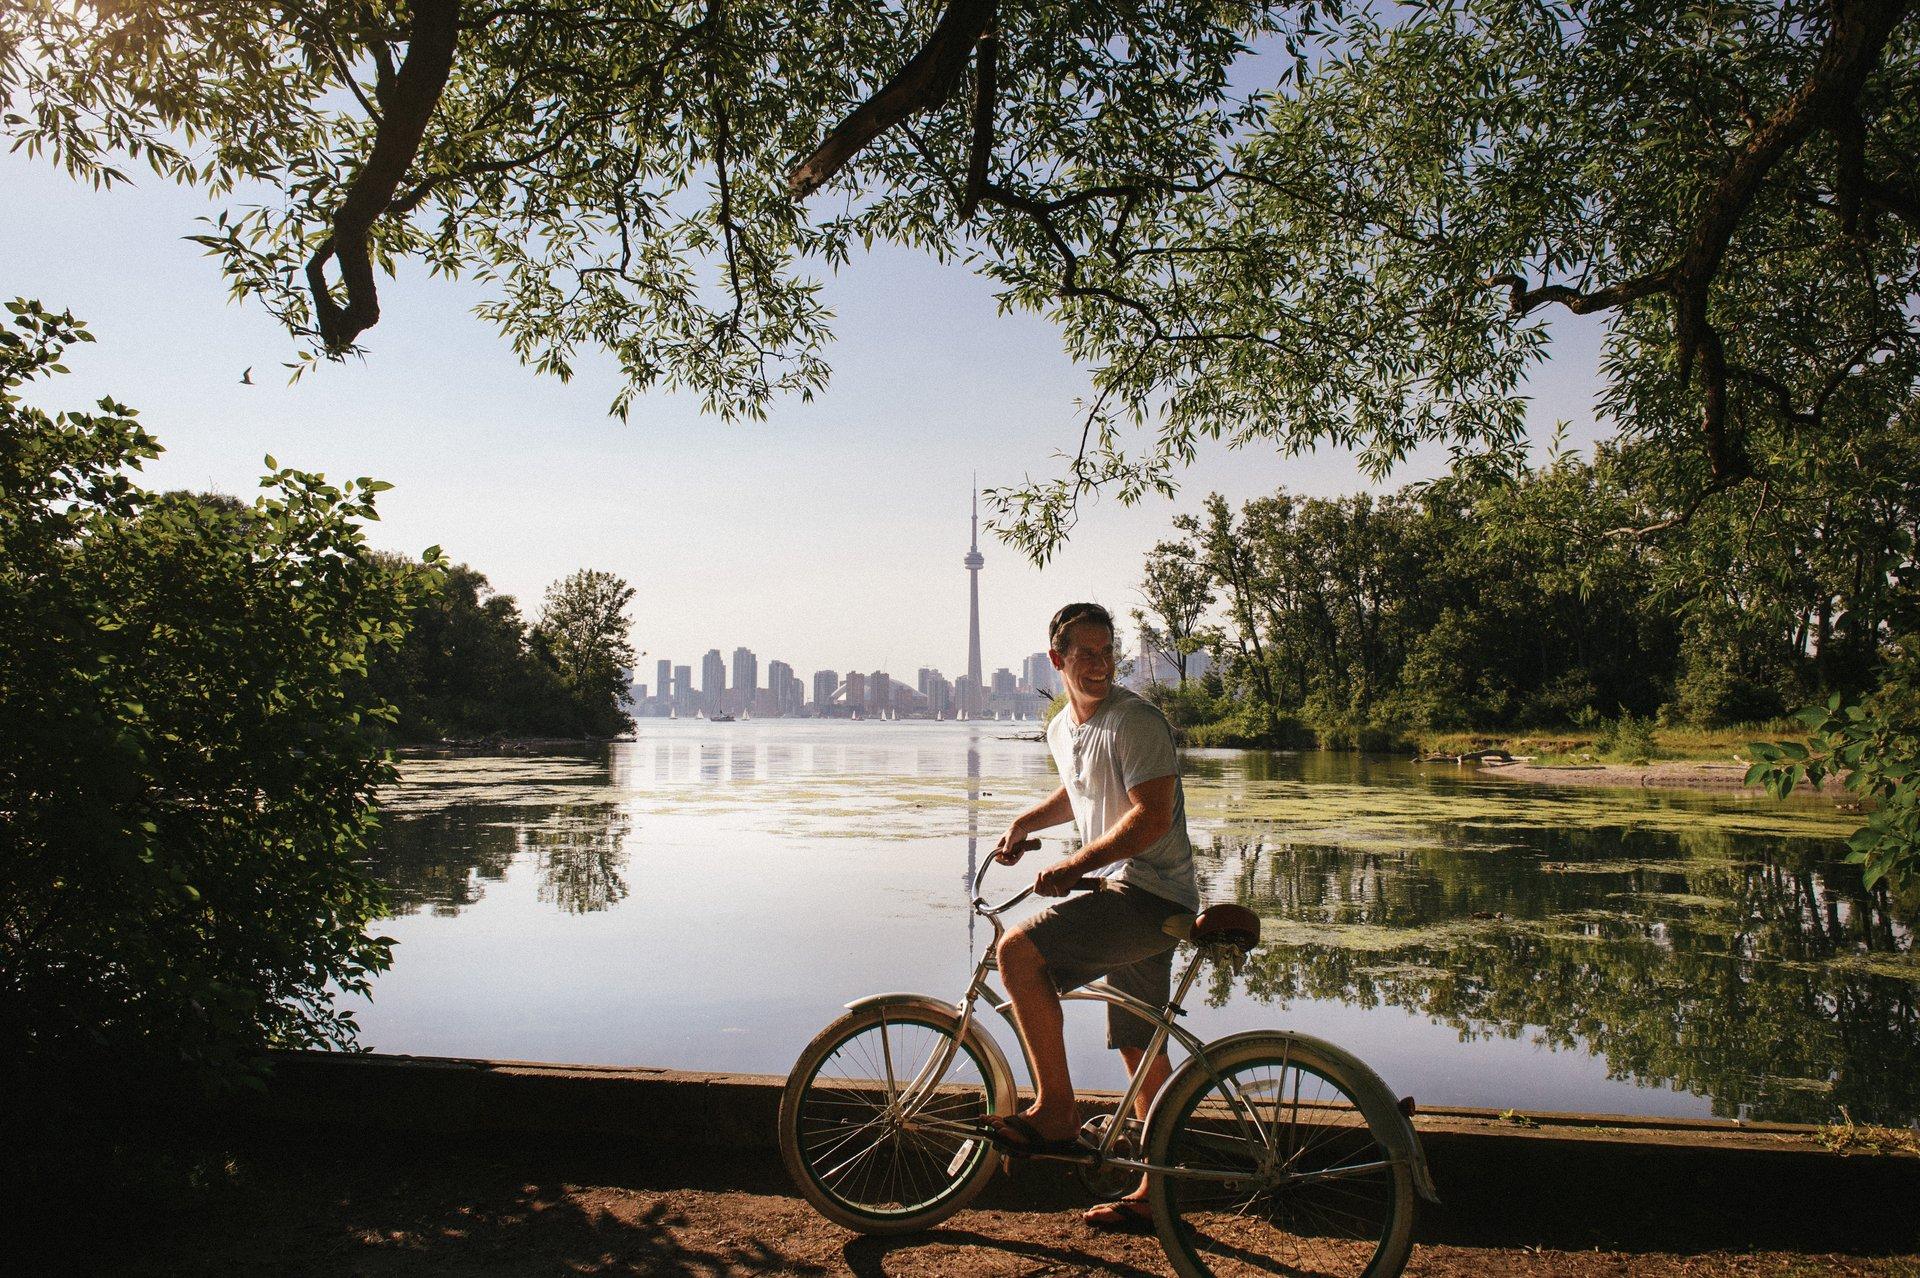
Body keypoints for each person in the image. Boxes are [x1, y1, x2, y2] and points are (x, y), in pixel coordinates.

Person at [989, 601, 1201, 1231]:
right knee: (1139, 1044)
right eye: (1086, 653)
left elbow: (1152, 815)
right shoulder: (1062, 725)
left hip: (1148, 895)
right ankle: (1154, 1193)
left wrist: (1077, 866)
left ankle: (1056, 1110)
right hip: (1127, 895)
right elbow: (1080, 790)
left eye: (1108, 651)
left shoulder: (1136, 722)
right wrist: (1027, 822)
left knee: (1017, 954)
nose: (1101, 665)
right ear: (1057, 660)